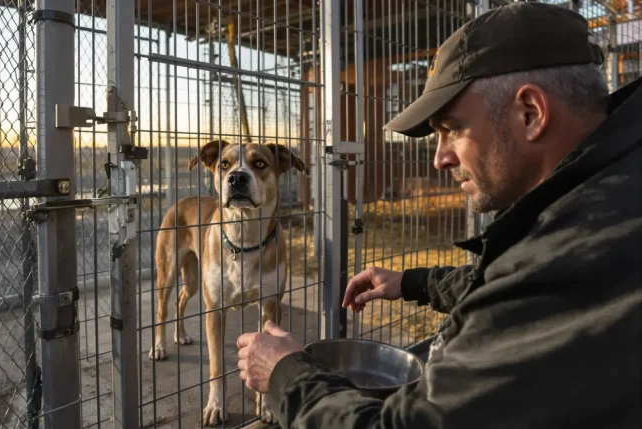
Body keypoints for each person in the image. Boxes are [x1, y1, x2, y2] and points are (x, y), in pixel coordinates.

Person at [236, 2, 642, 428]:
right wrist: (415, 282)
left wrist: (286, 374)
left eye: (451, 129)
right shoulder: (607, 192)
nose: (439, 159)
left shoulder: (579, 252)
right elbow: (517, 280)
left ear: (531, 113)